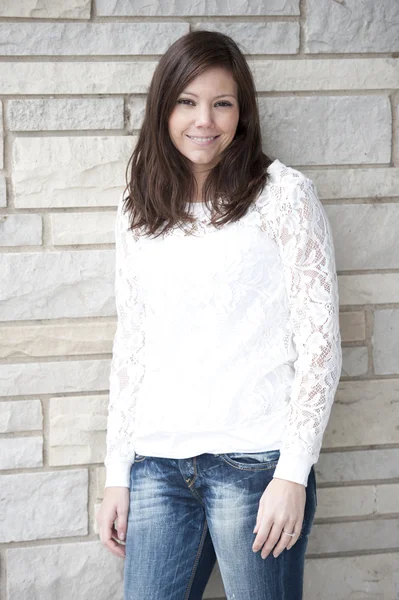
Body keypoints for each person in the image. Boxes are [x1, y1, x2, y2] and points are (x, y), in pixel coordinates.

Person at [96, 30, 342, 600]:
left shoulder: (285, 196)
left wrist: (293, 473)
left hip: (256, 465)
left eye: (222, 103)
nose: (204, 120)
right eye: (187, 101)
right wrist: (117, 474)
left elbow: (321, 345)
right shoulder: (138, 205)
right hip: (157, 465)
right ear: (164, 109)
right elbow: (132, 342)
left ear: (242, 111)